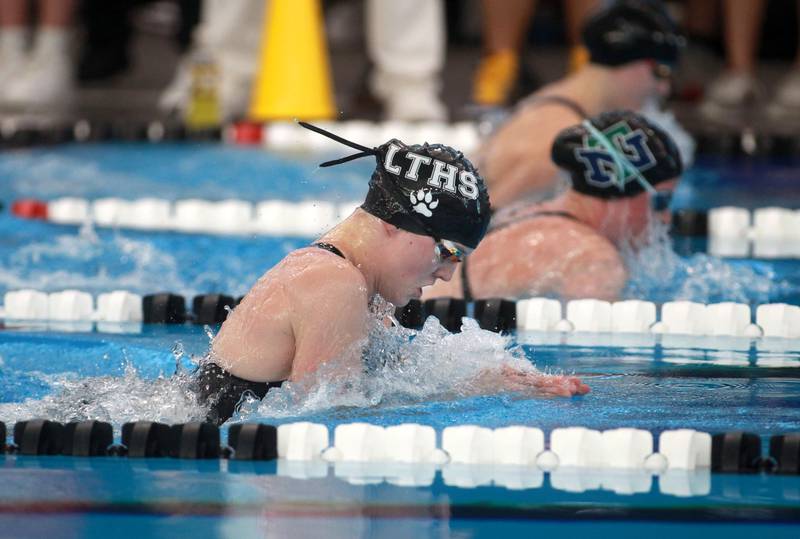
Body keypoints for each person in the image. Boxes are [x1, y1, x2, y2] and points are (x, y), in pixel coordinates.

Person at [196, 123, 589, 425]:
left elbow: (378, 387)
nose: (449, 275)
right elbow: (323, 420)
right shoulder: (332, 282)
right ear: (397, 224)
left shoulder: (363, 285)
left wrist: (488, 380)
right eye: (448, 252)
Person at [423, 109, 682, 303]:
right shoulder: (594, 258)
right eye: (661, 201)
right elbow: (588, 368)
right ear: (621, 191)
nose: (666, 218)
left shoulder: (526, 212)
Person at [477, 0, 685, 209]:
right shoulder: (553, 140)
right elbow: (474, 228)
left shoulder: (559, 102)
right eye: (660, 72)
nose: (663, 88)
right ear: (631, 63)